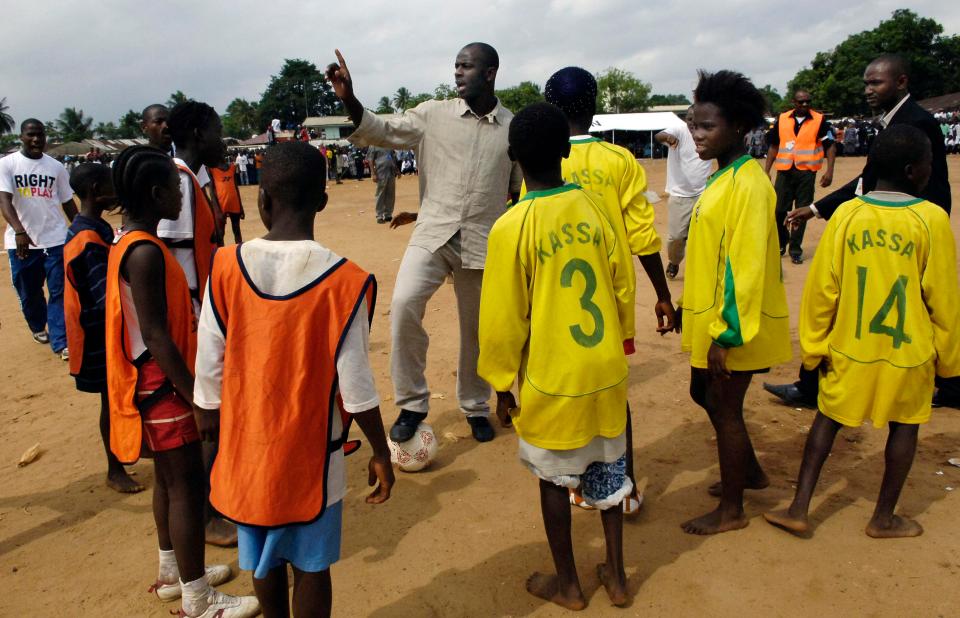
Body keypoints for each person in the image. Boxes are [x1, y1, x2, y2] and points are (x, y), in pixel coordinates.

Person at [194, 142, 394, 617]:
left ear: (261, 200)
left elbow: (208, 373)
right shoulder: (344, 281)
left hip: (247, 449)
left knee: (263, 563)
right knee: (311, 567)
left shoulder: (223, 268)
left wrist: (212, 439)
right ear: (322, 201)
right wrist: (381, 451)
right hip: (315, 458)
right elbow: (357, 388)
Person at [764, 125, 960, 538]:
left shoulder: (848, 215)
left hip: (849, 348)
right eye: (928, 162)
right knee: (905, 426)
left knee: (827, 420)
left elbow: (822, 291)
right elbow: (943, 298)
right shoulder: (931, 220)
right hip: (910, 352)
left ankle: (799, 508)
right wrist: (948, 361)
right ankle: (883, 518)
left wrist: (814, 349)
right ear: (914, 171)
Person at [478, 102, 635, 610]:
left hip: (554, 377)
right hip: (605, 367)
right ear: (567, 150)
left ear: (512, 156)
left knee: (554, 477)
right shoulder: (593, 208)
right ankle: (616, 575)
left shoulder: (512, 225)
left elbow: (504, 321)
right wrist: (621, 339)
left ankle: (568, 585)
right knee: (609, 468)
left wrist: (501, 383)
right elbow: (620, 283)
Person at [327, 43, 521, 443]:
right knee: (403, 306)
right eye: (456, 66)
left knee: (476, 332)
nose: (457, 73)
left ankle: (475, 406)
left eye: (466, 66)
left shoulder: (511, 128)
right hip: (434, 234)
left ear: (490, 73)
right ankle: (412, 404)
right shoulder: (433, 114)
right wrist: (351, 101)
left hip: (483, 243)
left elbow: (515, 191)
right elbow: (384, 129)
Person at [104, 146, 258, 618]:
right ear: (156, 194)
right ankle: (197, 597)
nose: (180, 197)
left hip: (151, 383)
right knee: (187, 487)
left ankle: (174, 571)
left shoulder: (130, 243)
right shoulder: (147, 252)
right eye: (174, 190)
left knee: (168, 483)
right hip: (163, 384)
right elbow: (155, 334)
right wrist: (195, 396)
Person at [770, 54, 956, 409]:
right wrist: (814, 209)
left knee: (869, 303)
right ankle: (951, 386)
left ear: (901, 82)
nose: (868, 89)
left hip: (905, 230)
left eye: (876, 83)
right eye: (866, 83)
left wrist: (925, 233)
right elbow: (868, 181)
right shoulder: (895, 120)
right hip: (903, 226)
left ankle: (812, 387)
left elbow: (926, 183)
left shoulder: (915, 123)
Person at [541, 66, 675, 515]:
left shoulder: (544, 159)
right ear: (595, 107)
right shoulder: (619, 162)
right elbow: (642, 235)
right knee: (614, 397)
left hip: (559, 304)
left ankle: (577, 484)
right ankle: (626, 488)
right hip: (611, 301)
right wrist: (662, 293)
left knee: (571, 394)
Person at [679, 70, 791, 535]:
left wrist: (726, 335)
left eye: (707, 127)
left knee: (724, 407)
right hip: (713, 317)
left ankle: (731, 510)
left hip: (734, 323)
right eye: (692, 124)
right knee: (701, 394)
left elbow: (742, 269)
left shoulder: (748, 183)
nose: (696, 134)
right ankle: (751, 472)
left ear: (738, 128)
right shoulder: (723, 175)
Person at [163, 100, 235, 547]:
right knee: (207, 410)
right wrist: (196, 314)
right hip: (193, 318)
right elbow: (176, 256)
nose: (221, 139)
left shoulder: (193, 178)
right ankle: (208, 514)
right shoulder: (181, 182)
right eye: (216, 131)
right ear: (194, 134)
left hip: (202, 309)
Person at [63, 163, 143, 494]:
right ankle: (114, 467)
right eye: (111, 184)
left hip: (100, 331)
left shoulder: (93, 228)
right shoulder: (87, 238)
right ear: (97, 190)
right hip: (96, 335)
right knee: (110, 400)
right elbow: (102, 295)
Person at [0, 118, 77, 360]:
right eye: (31, 135)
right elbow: (4, 200)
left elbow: (67, 203)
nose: (36, 139)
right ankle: (37, 326)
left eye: (41, 135)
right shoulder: (7, 165)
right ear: (21, 137)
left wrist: (82, 229)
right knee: (30, 293)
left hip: (55, 240)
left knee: (59, 291)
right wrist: (20, 231)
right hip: (21, 244)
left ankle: (61, 340)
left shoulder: (56, 167)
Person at [764, 90, 836, 265]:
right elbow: (774, 146)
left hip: (806, 173)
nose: (805, 105)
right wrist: (766, 170)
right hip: (784, 172)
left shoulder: (819, 120)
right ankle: (782, 242)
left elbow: (830, 146)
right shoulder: (782, 119)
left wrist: (829, 171)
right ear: (793, 102)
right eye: (801, 102)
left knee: (801, 211)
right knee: (779, 210)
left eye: (807, 102)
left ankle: (795, 249)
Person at [655, 105, 714, 278]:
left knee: (705, 235)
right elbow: (659, 136)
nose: (692, 123)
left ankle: (705, 269)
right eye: (689, 119)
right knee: (676, 237)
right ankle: (674, 261)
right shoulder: (679, 130)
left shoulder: (708, 134)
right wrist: (668, 137)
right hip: (680, 194)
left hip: (704, 194)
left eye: (696, 120)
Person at [209, 158, 244, 243]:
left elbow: (236, 187)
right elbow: (212, 191)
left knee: (237, 230)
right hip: (221, 206)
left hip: (234, 204)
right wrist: (217, 210)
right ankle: (220, 254)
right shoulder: (212, 170)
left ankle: (238, 251)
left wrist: (241, 207)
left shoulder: (232, 168)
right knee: (220, 234)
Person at [368, 145, 396, 223]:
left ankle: (388, 215)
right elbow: (370, 160)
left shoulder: (388, 143)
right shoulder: (373, 145)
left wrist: (397, 170)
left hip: (391, 172)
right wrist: (373, 173)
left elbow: (392, 157)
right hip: (381, 172)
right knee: (380, 194)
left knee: (391, 194)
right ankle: (379, 216)